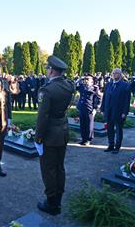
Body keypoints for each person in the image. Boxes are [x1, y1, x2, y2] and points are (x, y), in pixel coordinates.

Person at [34, 55, 75, 215]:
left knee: (49, 169)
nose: (46, 71)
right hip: (63, 131)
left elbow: (42, 117)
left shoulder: (47, 90)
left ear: (51, 70)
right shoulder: (68, 85)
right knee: (59, 167)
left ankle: (51, 204)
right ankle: (58, 200)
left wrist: (38, 138)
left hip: (50, 135)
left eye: (47, 68)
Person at [101, 68, 130, 154]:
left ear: (120, 75)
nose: (114, 74)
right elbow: (104, 97)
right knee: (109, 129)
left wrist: (125, 112)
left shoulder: (125, 85)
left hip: (119, 112)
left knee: (118, 130)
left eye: (116, 73)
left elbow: (127, 100)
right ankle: (110, 145)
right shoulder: (108, 84)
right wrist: (103, 109)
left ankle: (117, 147)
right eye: (113, 73)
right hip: (108, 111)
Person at [76, 74, 101, 145]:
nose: (86, 80)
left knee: (89, 124)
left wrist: (96, 108)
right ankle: (83, 139)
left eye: (88, 79)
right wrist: (80, 79)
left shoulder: (95, 88)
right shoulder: (82, 86)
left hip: (89, 108)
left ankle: (88, 139)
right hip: (82, 107)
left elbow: (99, 98)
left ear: (92, 81)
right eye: (85, 79)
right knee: (82, 124)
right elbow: (74, 86)